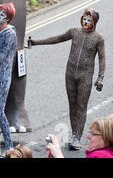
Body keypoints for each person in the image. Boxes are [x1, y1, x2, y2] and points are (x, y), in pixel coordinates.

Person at [28, 8, 106, 150]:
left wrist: (100, 77)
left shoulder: (98, 38)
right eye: (84, 19)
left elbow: (102, 58)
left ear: (94, 22)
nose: (86, 22)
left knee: (81, 106)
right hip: (70, 74)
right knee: (72, 106)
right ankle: (74, 134)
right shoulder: (74, 31)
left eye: (89, 20)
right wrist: (36, 42)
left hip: (85, 76)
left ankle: (76, 137)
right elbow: (56, 39)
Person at [0, 3, 17, 157]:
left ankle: (9, 145)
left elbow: (1, 57)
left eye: (1, 14)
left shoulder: (10, 34)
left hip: (2, 78)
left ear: (8, 18)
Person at [46, 117, 113, 158]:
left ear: (106, 138)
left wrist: (58, 153)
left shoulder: (99, 156)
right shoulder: (108, 154)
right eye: (90, 133)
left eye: (94, 134)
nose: (88, 136)